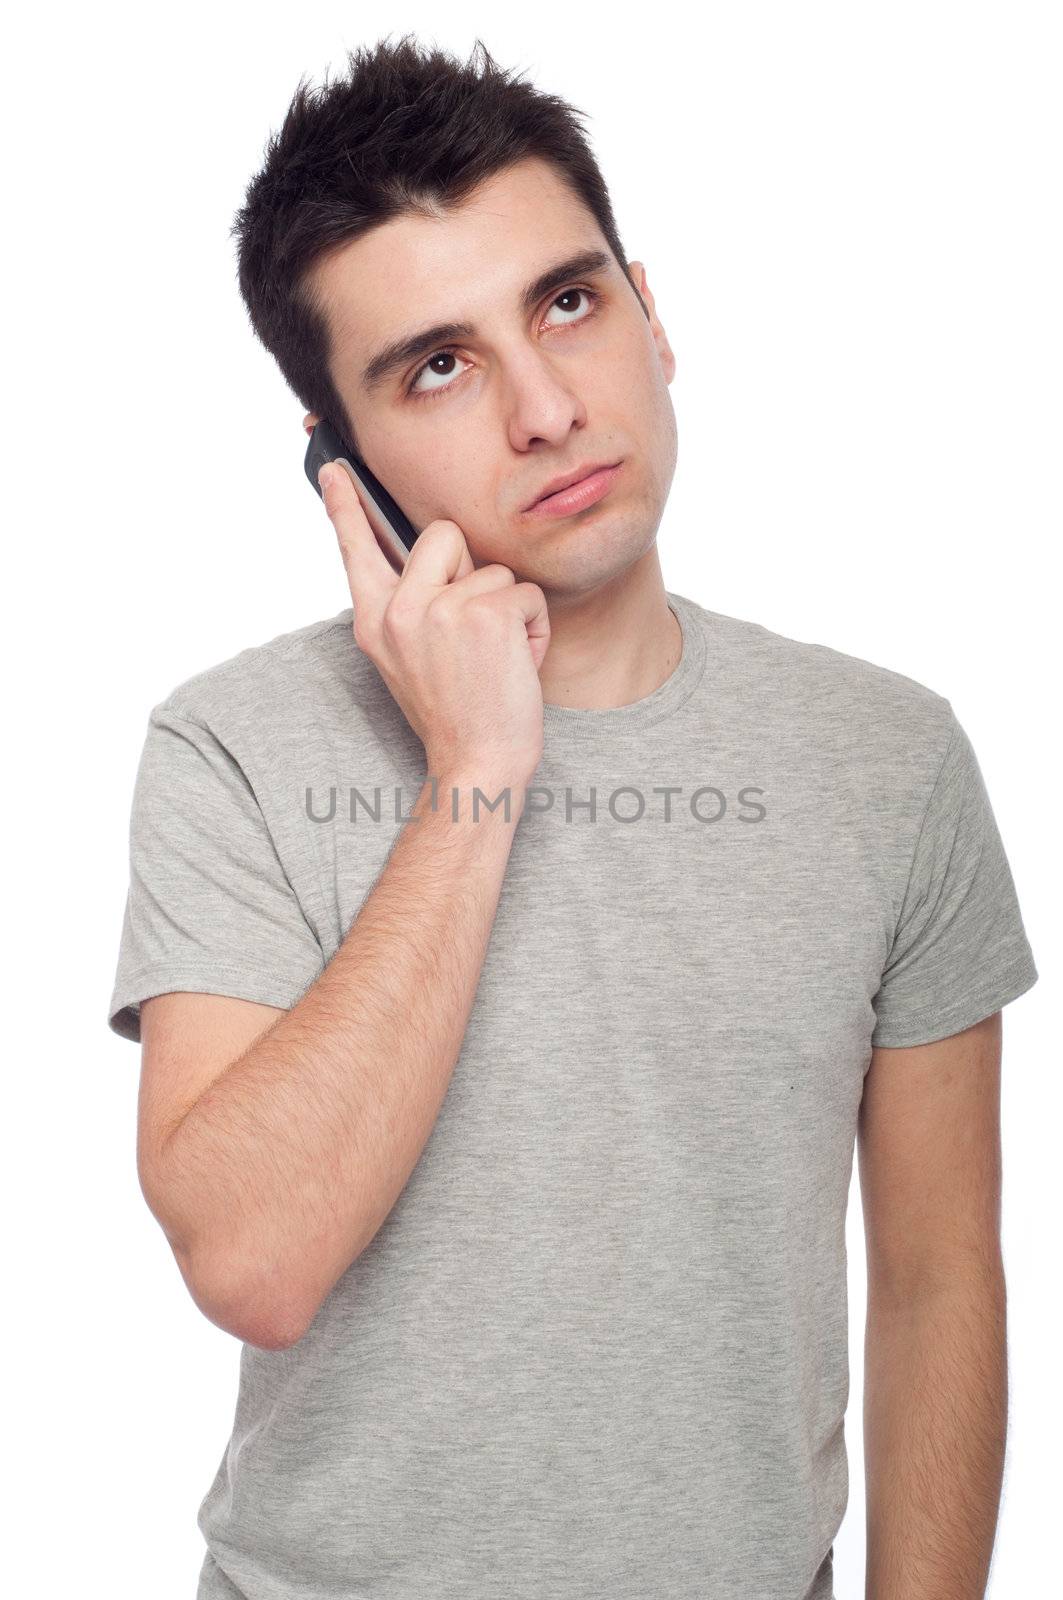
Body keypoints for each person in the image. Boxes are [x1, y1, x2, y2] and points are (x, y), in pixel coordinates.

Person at [106, 34, 1038, 1600]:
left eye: (568, 301)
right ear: (342, 469)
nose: (546, 407)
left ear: (653, 317)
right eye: (439, 366)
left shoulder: (892, 757)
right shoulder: (236, 750)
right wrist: (474, 772)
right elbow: (254, 1262)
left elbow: (941, 1282)